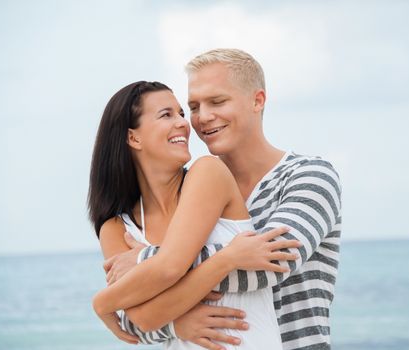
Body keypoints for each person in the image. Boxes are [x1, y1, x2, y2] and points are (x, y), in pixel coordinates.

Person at [105, 49, 342, 350]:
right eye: (193, 106)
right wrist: (176, 324)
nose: (202, 117)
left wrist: (147, 262)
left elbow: (269, 265)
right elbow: (133, 320)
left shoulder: (309, 176)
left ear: (257, 100)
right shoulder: (187, 189)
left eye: (217, 102)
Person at [88, 81, 302, 349]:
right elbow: (143, 317)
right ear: (133, 138)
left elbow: (170, 266)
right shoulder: (117, 228)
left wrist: (103, 302)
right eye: (166, 115)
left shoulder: (207, 173)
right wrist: (227, 258)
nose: (183, 123)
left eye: (180, 113)